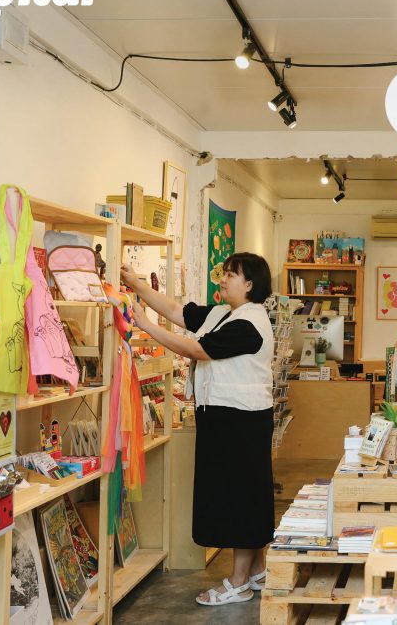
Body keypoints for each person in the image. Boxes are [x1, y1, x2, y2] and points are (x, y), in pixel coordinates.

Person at [120, 252, 275, 607]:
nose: (223, 279)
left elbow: (197, 349)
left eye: (231, 275)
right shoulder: (223, 314)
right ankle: (256, 570)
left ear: (249, 285)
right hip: (226, 417)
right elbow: (178, 311)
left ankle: (238, 582)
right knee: (245, 493)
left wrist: (145, 324)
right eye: (224, 273)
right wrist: (137, 285)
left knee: (240, 497)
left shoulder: (250, 323)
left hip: (241, 420)